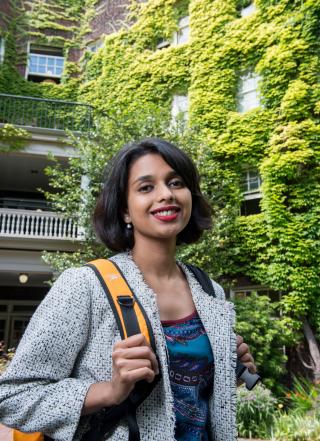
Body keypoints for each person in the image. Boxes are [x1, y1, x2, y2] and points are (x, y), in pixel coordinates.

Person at [0, 138, 255, 441]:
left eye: (176, 183)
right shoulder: (85, 285)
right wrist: (107, 391)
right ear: (124, 211)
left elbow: (193, 399)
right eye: (146, 187)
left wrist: (228, 374)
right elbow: (12, 397)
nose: (166, 195)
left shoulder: (209, 291)